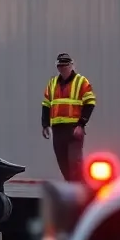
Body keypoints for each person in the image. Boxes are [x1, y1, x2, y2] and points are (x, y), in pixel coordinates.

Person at [41, 53, 96, 181]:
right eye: (60, 66)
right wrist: (45, 124)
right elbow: (46, 104)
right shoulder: (52, 83)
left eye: (65, 65)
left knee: (75, 163)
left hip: (73, 129)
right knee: (63, 162)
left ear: (71, 65)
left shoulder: (81, 82)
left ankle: (78, 188)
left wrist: (81, 124)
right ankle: (71, 187)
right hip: (58, 129)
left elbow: (90, 103)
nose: (62, 68)